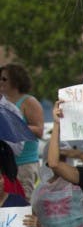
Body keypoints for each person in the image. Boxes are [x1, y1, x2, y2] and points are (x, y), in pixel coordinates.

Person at [0, 64, 44, 199]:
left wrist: (13, 124)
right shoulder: (3, 103)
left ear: (16, 80)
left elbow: (39, 130)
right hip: (6, 163)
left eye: (4, 79)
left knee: (22, 200)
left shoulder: (28, 101)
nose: (0, 82)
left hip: (24, 163)